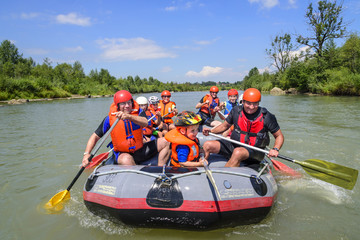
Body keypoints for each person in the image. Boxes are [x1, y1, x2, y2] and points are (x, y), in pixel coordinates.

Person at [82, 90, 170, 167]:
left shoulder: (139, 112)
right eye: (123, 103)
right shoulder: (110, 119)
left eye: (129, 102)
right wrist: (86, 154)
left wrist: (129, 117)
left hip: (140, 150)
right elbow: (95, 136)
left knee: (166, 141)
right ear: (118, 105)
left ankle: (160, 169)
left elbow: (145, 122)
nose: (127, 106)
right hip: (123, 153)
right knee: (126, 159)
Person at [202, 88, 284, 167]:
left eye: (255, 103)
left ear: (258, 103)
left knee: (238, 152)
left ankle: (223, 177)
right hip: (235, 145)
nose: (251, 107)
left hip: (255, 151)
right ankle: (201, 166)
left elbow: (279, 136)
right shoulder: (236, 111)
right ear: (243, 102)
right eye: (248, 103)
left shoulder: (267, 117)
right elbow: (224, 126)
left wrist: (275, 149)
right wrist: (211, 131)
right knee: (207, 145)